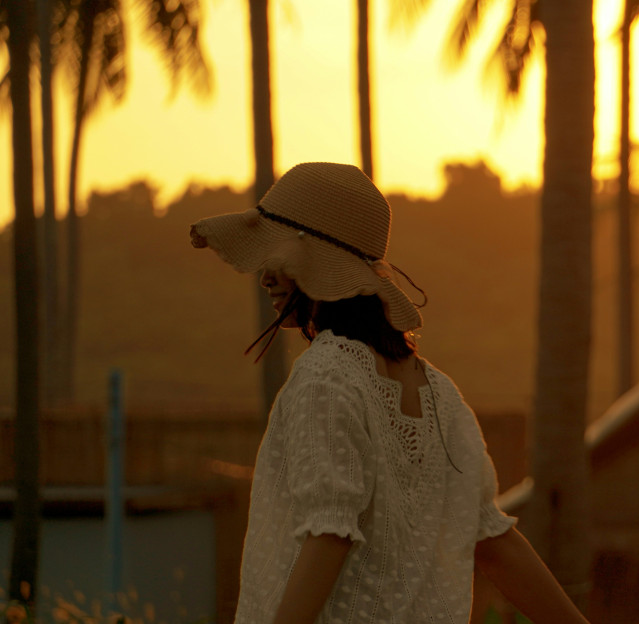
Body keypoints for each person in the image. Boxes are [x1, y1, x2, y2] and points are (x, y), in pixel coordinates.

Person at [190, 162, 587, 624]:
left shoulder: (325, 376)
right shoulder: (437, 390)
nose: (265, 277)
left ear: (315, 260)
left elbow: (330, 534)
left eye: (276, 256)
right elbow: (493, 542)